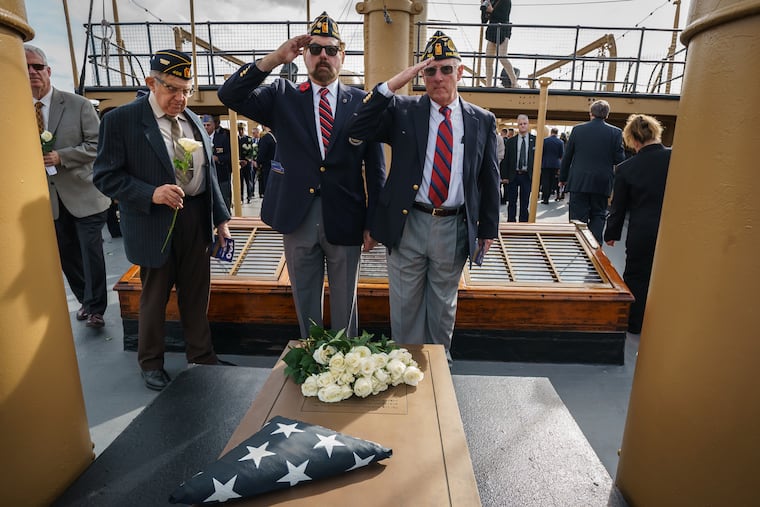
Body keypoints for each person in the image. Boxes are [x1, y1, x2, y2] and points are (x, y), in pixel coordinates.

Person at [218, 12, 385, 339]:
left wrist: (373, 222)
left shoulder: (362, 101)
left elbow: (375, 168)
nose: (324, 56)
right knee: (304, 299)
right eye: (315, 48)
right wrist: (275, 59)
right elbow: (230, 95)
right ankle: (313, 360)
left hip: (347, 217)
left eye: (331, 50)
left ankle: (346, 362)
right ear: (304, 54)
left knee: (345, 302)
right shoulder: (282, 94)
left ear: (343, 55)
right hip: (297, 216)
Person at [347, 30, 501, 361]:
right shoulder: (403, 110)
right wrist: (393, 85)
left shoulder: (481, 120)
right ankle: (405, 368)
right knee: (404, 306)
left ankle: (436, 371)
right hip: (408, 222)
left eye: (446, 69)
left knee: (443, 307)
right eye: (429, 71)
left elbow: (488, 177)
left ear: (460, 72)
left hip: (453, 225)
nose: (438, 77)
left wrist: (488, 228)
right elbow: (357, 127)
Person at [94, 49, 232, 391]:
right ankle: (151, 362)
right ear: (150, 83)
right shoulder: (121, 121)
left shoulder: (194, 120)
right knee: (154, 297)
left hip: (196, 216)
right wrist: (151, 193)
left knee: (197, 293)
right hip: (152, 220)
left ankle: (201, 356)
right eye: (172, 88)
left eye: (186, 89)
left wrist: (221, 220)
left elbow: (209, 174)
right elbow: (105, 177)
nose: (180, 97)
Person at [26, 44, 112, 329]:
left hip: (83, 194)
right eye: (24, 68)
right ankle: (85, 301)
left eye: (37, 66)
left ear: (48, 71)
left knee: (91, 252)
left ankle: (97, 308)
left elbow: (97, 145)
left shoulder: (78, 105)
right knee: (66, 255)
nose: (32, 72)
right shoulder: (15, 110)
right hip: (48, 200)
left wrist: (62, 156)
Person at [604, 114, 670, 335]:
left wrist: (611, 233)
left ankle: (635, 323)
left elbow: (619, 206)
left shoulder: (626, 168)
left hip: (642, 230)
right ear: (656, 133)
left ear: (632, 139)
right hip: (674, 229)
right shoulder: (677, 158)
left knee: (636, 275)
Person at [559, 99, 625, 243]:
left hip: (579, 181)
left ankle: (578, 247)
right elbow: (619, 159)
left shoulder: (578, 130)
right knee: (598, 215)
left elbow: (568, 156)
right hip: (602, 183)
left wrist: (563, 178)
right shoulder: (616, 132)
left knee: (577, 219)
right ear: (607, 115)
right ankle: (595, 249)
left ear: (591, 113)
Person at [502, 114, 535, 222]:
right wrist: (505, 176)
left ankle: (523, 222)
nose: (522, 126)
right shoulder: (511, 142)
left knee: (525, 201)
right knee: (512, 201)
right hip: (513, 174)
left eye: (525, 124)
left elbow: (539, 160)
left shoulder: (535, 141)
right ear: (517, 125)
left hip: (527, 175)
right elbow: (506, 159)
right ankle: (511, 221)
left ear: (528, 125)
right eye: (520, 124)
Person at [483, 0, 519, 88]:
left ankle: (514, 82)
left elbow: (504, 17)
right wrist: (484, 10)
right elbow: (484, 21)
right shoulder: (490, 1)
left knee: (502, 57)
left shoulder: (505, 1)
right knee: (488, 60)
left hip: (503, 30)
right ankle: (488, 85)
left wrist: (492, 11)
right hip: (492, 31)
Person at [203, 115, 233, 210]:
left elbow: (230, 156)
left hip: (221, 175)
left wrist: (218, 158)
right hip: (205, 177)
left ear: (214, 125)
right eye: (204, 125)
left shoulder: (223, 138)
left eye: (208, 125)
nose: (206, 127)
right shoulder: (199, 138)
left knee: (224, 199)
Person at [540, 127, 564, 204]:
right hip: (555, 164)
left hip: (545, 163)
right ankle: (551, 194)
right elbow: (561, 155)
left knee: (545, 180)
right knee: (552, 181)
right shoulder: (560, 142)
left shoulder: (545, 140)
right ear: (557, 133)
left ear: (551, 132)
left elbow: (541, 152)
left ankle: (545, 197)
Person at [256, 125, 276, 198]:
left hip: (268, 167)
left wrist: (258, 163)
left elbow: (261, 155)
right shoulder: (278, 136)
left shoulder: (266, 139)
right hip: (278, 166)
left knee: (268, 190)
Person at [237, 124, 255, 203]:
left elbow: (251, 152)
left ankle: (249, 196)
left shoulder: (249, 139)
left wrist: (246, 161)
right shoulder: (235, 139)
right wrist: (239, 160)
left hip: (247, 163)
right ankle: (240, 197)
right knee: (239, 181)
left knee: (248, 180)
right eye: (239, 129)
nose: (241, 131)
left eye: (242, 129)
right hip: (239, 163)